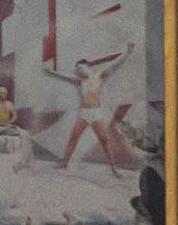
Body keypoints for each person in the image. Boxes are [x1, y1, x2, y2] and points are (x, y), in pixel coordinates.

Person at [43, 42, 134, 176]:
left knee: (104, 140)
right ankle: (64, 162)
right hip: (83, 113)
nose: (79, 71)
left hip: (96, 113)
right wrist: (51, 72)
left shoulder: (99, 76)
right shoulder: (80, 81)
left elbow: (115, 64)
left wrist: (127, 52)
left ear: (87, 66)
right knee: (74, 137)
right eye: (77, 69)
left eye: (80, 68)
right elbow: (64, 76)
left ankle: (114, 168)